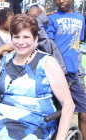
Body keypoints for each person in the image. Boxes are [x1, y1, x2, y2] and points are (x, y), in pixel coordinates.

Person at [0, 14, 75, 140]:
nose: (20, 42)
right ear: (11, 38)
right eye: (16, 37)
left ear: (36, 39)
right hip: (1, 114)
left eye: (26, 37)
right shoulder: (5, 60)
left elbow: (68, 104)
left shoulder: (47, 62)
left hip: (34, 120)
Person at [45, 0, 86, 139]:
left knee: (84, 109)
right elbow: (48, 46)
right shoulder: (50, 19)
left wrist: (81, 77)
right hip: (55, 72)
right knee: (56, 112)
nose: (60, 0)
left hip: (73, 74)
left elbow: (76, 49)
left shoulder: (80, 18)